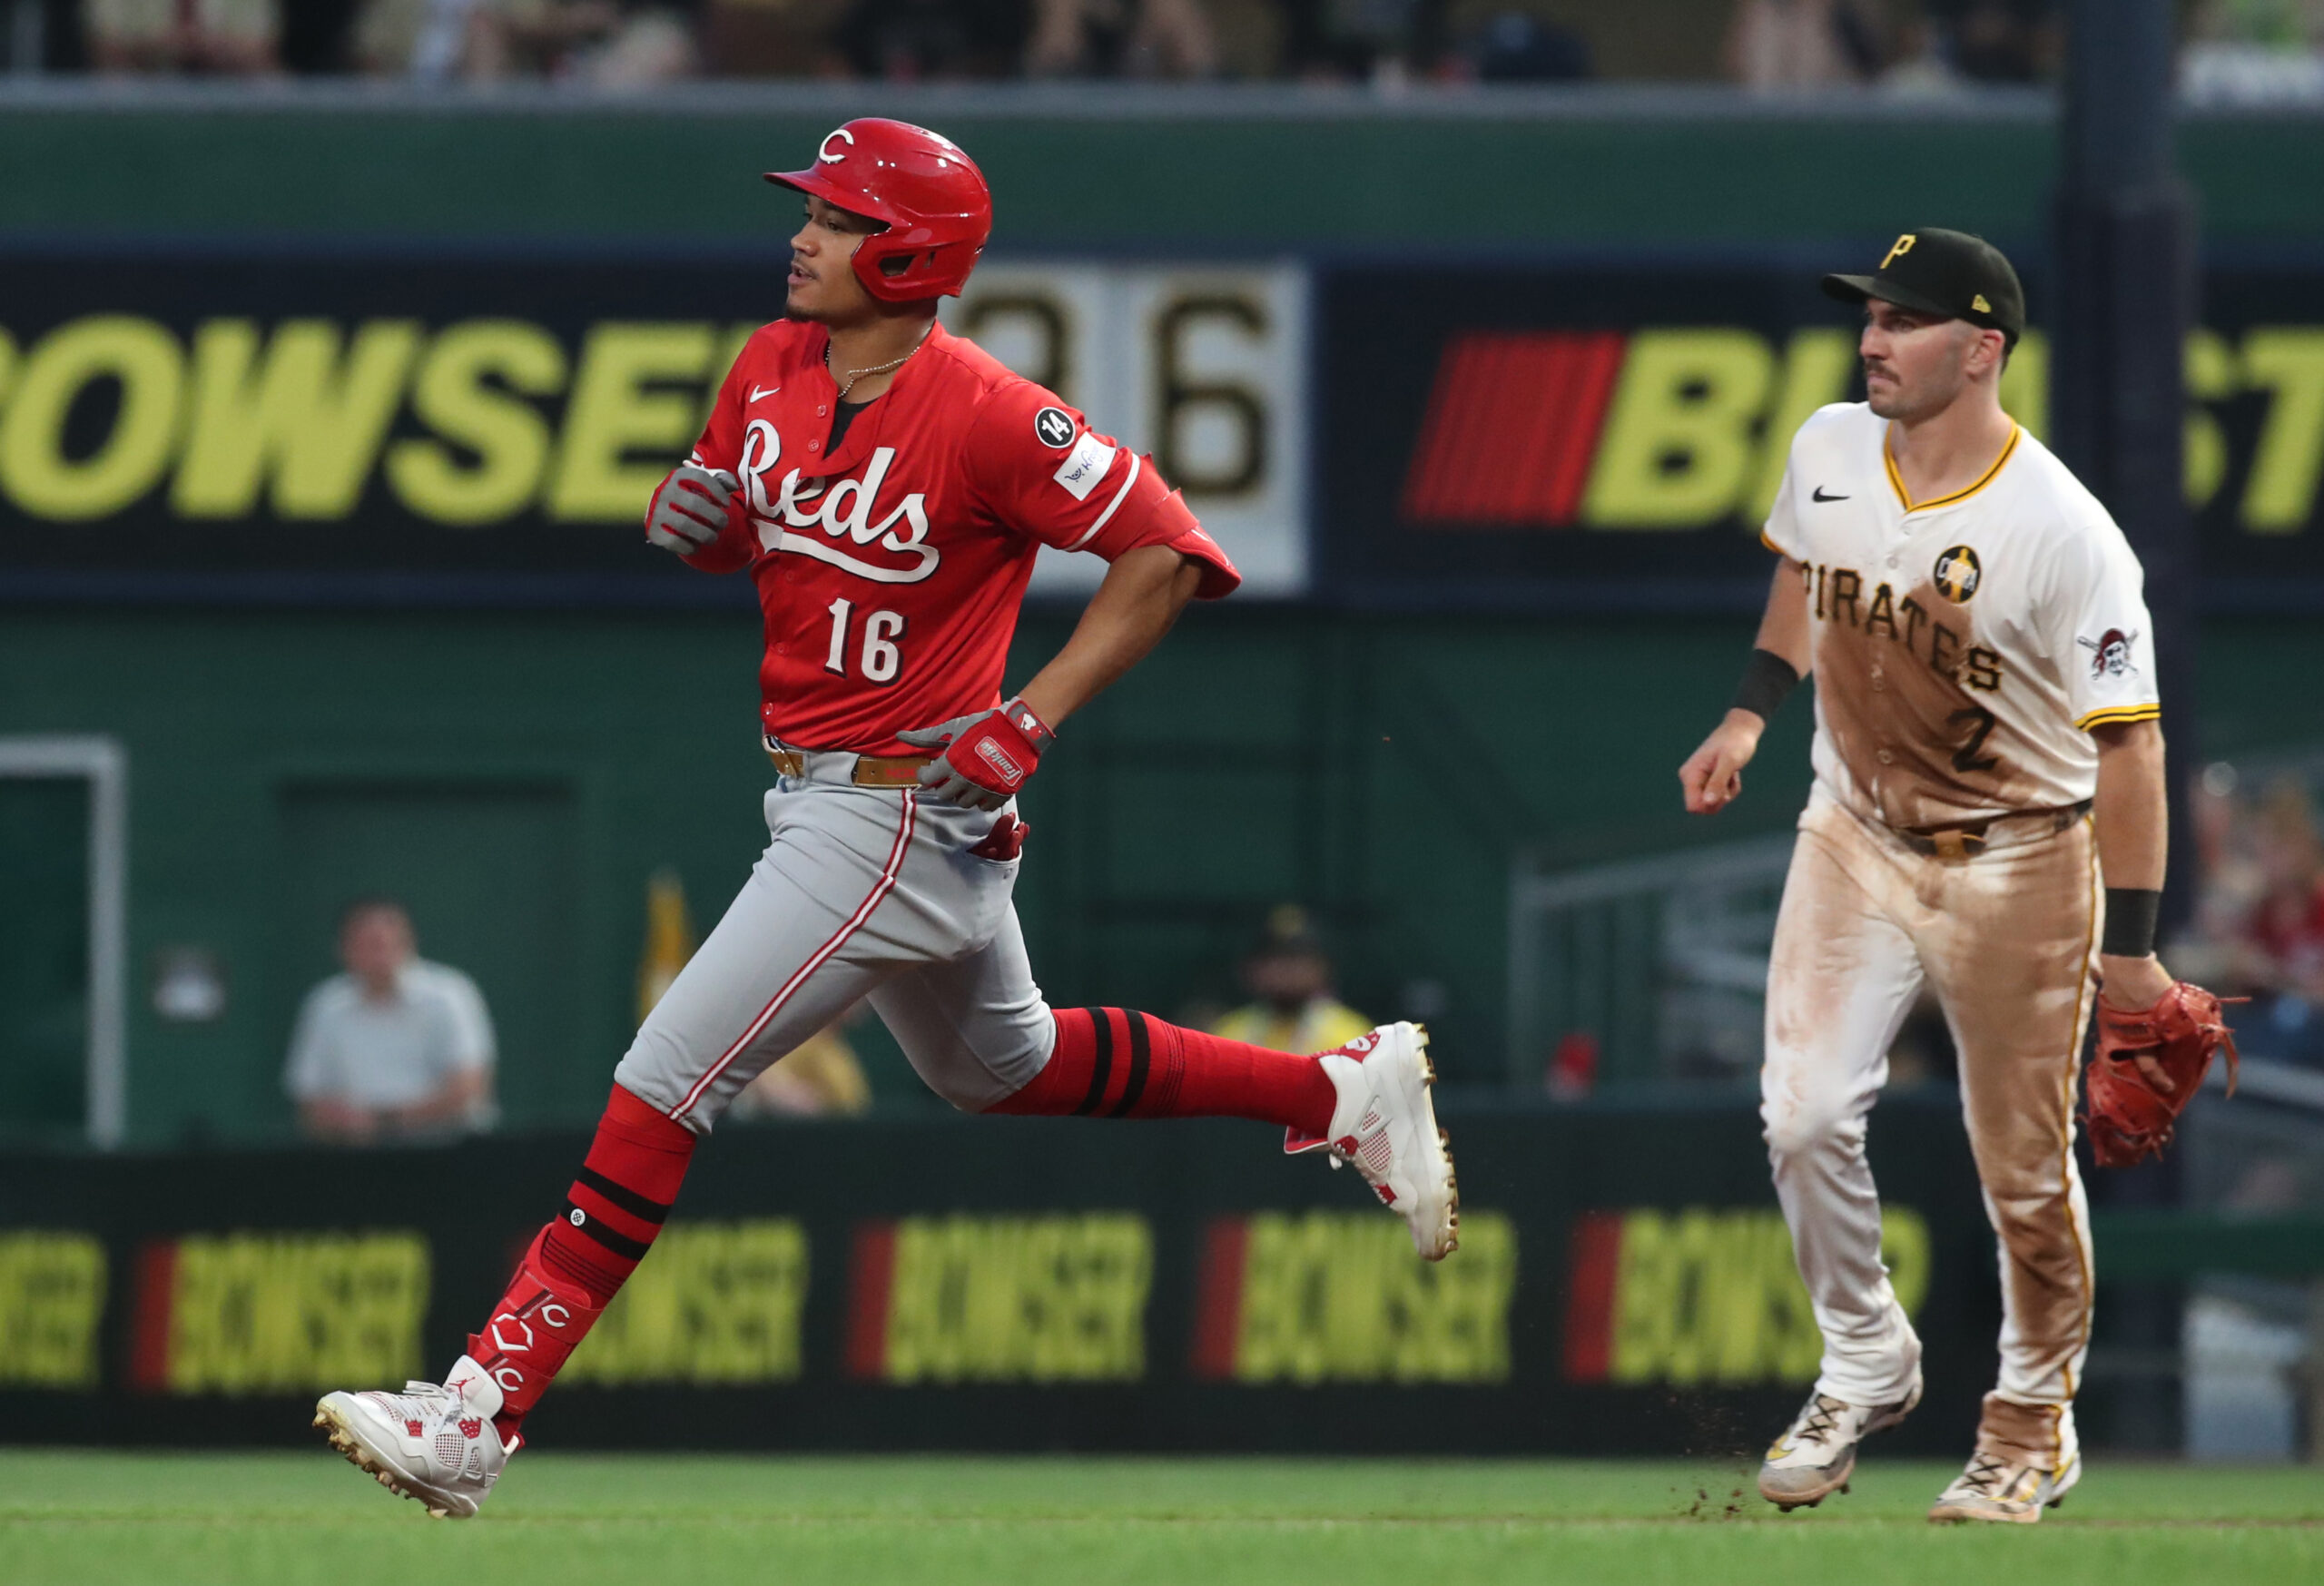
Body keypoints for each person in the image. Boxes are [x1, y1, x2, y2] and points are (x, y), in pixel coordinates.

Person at [312, 118, 1456, 1519]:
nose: (804, 234)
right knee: (1007, 1067)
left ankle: (475, 1410)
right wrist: (707, 520)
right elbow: (757, 520)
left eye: (839, 217)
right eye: (813, 211)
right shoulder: (772, 363)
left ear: (910, 249)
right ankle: (1335, 1089)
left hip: (895, 811)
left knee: (667, 1076)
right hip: (826, 792)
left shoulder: (986, 407)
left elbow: (1168, 550)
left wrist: (1030, 714)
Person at [1677, 230, 2173, 1523]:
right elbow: (1806, 565)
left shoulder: (2067, 533)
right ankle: (1867, 1356)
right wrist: (1748, 713)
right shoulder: (1831, 446)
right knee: (1800, 1113)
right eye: (1870, 315)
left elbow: (2134, 746)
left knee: (2019, 1169)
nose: (1873, 339)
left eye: (1904, 320)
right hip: (1853, 829)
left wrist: (2133, 946)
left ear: (1983, 349)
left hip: (2021, 855)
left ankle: (2031, 1420)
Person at [284, 899, 498, 1145]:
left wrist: (383, 1121)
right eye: (368, 944)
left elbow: (468, 1089)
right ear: (343, 949)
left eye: (386, 942)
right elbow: (309, 1101)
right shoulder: (325, 1004)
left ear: (408, 942)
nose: (380, 954)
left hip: (447, 1150)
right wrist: (347, 1122)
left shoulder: (450, 995)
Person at [1212, 906, 1373, 1055]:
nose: (1287, 970)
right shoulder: (1230, 1035)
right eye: (1276, 959)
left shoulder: (1352, 1037)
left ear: (1322, 968)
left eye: (1298, 959)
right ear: (1253, 969)